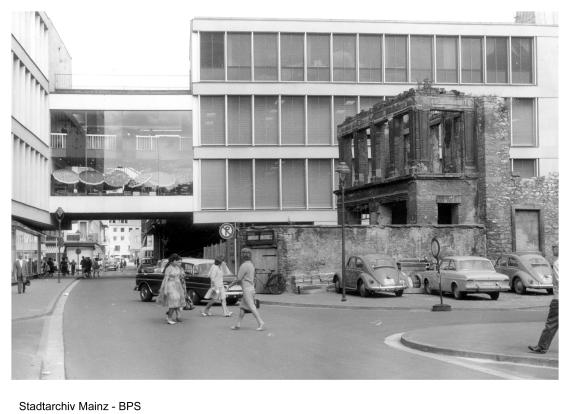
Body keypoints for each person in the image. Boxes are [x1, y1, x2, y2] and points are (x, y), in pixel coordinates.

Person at [227, 248, 265, 331]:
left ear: (243, 255)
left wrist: (229, 286)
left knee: (252, 306)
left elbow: (238, 279)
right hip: (250, 288)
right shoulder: (251, 264)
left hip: (247, 289)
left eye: (241, 254)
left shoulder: (244, 265)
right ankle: (238, 324)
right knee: (242, 307)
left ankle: (260, 322)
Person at [528, 258, 559, 354]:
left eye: (556, 247)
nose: (554, 249)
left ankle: (542, 346)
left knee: (551, 324)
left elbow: (559, 280)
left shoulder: (558, 263)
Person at [156, 254, 186, 325]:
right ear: (173, 261)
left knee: (177, 300)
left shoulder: (177, 268)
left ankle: (171, 316)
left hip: (177, 285)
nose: (178, 262)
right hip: (170, 285)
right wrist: (165, 289)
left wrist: (182, 278)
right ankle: (169, 318)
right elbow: (165, 279)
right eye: (177, 261)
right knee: (173, 300)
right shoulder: (168, 268)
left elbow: (180, 276)